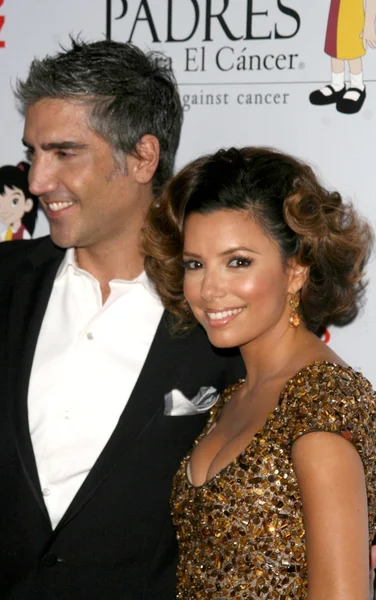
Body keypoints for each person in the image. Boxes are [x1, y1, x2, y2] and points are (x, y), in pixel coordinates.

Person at [0, 39, 243, 599]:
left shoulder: (223, 311)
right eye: (33, 153)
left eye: (64, 153)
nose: (37, 181)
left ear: (143, 157)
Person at [144, 146, 376, 599]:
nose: (209, 290)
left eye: (238, 262)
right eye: (195, 264)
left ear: (297, 269)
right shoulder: (237, 393)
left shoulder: (323, 400)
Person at [0, 161, 39, 245]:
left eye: (14, 202)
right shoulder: (9, 231)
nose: (4, 210)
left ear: (27, 204)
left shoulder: (24, 235)